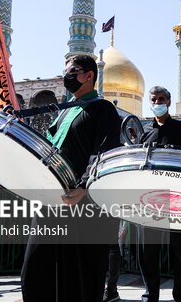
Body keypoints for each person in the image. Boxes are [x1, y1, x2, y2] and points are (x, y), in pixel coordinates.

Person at [20, 55, 121, 302]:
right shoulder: (65, 111)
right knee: (35, 270)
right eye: (65, 71)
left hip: (82, 204)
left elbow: (105, 152)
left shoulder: (102, 109)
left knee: (79, 275)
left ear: (89, 76)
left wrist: (85, 186)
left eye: (73, 71)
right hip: (53, 201)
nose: (67, 76)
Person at [137, 85, 181, 302]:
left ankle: (180, 294)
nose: (158, 103)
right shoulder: (145, 134)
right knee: (147, 251)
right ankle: (150, 294)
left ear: (169, 102)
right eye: (154, 99)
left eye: (162, 99)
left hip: (177, 199)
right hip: (150, 200)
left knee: (180, 251)